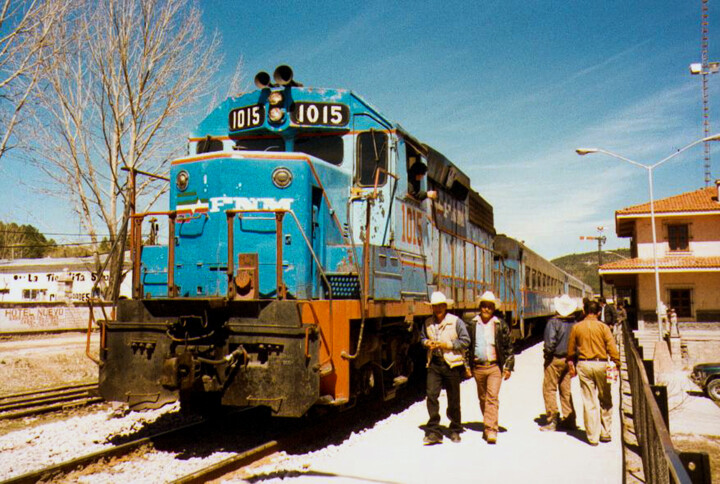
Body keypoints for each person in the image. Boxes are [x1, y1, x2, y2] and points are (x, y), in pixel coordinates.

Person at [567, 299, 620, 446]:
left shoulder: (577, 327)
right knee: (605, 399)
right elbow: (612, 348)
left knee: (589, 401)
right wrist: (617, 363)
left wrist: (571, 362)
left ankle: (592, 437)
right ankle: (606, 432)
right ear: (598, 313)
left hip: (584, 365)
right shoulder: (604, 328)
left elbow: (570, 350)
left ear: (584, 311)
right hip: (601, 364)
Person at [420, 291, 470, 444]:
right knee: (431, 395)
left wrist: (447, 345)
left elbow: (466, 340)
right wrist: (426, 343)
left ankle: (455, 428)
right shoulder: (427, 323)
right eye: (435, 306)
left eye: (440, 306)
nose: (438, 309)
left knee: (453, 398)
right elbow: (422, 337)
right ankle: (434, 430)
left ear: (445, 306)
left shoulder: (456, 322)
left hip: (452, 364)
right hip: (434, 363)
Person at [467, 291, 514, 444]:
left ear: (494, 309)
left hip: (495, 367)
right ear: (480, 307)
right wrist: (467, 366)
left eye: (489, 307)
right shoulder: (472, 325)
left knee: (492, 398)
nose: (486, 309)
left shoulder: (500, 325)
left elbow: (508, 347)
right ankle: (488, 422)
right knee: (483, 398)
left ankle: (491, 430)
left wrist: (508, 367)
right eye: (484, 306)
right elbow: (467, 347)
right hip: (478, 368)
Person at [540, 294, 578, 432]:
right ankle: (569, 420)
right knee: (566, 390)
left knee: (549, 389)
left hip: (555, 359)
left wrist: (547, 357)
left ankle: (552, 420)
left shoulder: (553, 323)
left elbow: (550, 344)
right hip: (569, 360)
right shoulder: (574, 323)